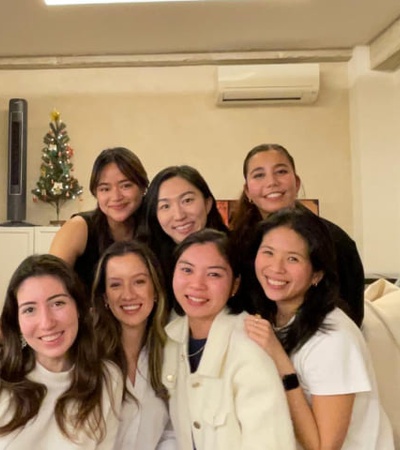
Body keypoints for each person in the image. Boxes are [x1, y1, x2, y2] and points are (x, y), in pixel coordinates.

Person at [244, 208, 394, 450]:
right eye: (268, 253)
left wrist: (281, 362)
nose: (276, 267)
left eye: (293, 258)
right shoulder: (273, 316)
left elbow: (323, 446)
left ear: (317, 274)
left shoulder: (333, 338)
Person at [162, 228, 296, 450]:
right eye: (186, 270)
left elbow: (269, 443)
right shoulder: (171, 338)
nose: (197, 284)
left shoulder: (250, 346)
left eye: (214, 274)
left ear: (235, 285)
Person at [231, 143, 365, 326]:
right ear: (247, 191)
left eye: (281, 172)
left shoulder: (335, 241)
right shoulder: (238, 243)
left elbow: (352, 315)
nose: (271, 182)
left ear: (297, 182)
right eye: (259, 175)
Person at [0, 254, 123, 449]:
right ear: (16, 321)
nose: (47, 323)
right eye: (29, 309)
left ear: (79, 309)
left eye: (57, 303)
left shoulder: (108, 378)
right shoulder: (4, 380)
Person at [92, 240, 176, 450]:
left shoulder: (172, 352)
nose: (128, 294)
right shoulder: (87, 356)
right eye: (115, 284)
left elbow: (171, 431)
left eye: (139, 282)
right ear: (105, 297)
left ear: (155, 289)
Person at [50, 147, 149, 291]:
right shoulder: (78, 228)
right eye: (105, 189)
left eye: (126, 186)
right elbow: (48, 284)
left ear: (142, 187)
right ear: (96, 193)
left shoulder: (156, 224)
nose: (116, 197)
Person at [138, 165, 228, 309]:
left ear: (208, 203)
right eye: (165, 206)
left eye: (187, 201)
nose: (179, 216)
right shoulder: (147, 262)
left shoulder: (234, 252)